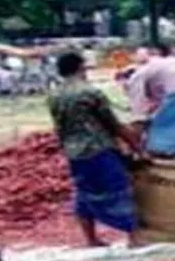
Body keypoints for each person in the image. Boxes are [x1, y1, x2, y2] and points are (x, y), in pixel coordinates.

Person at [47, 51, 142, 247]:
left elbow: (59, 125)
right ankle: (133, 238)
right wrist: (136, 146)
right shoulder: (90, 92)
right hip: (98, 148)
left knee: (84, 193)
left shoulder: (54, 95)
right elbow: (112, 124)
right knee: (118, 190)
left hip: (73, 151)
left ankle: (91, 238)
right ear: (81, 67)